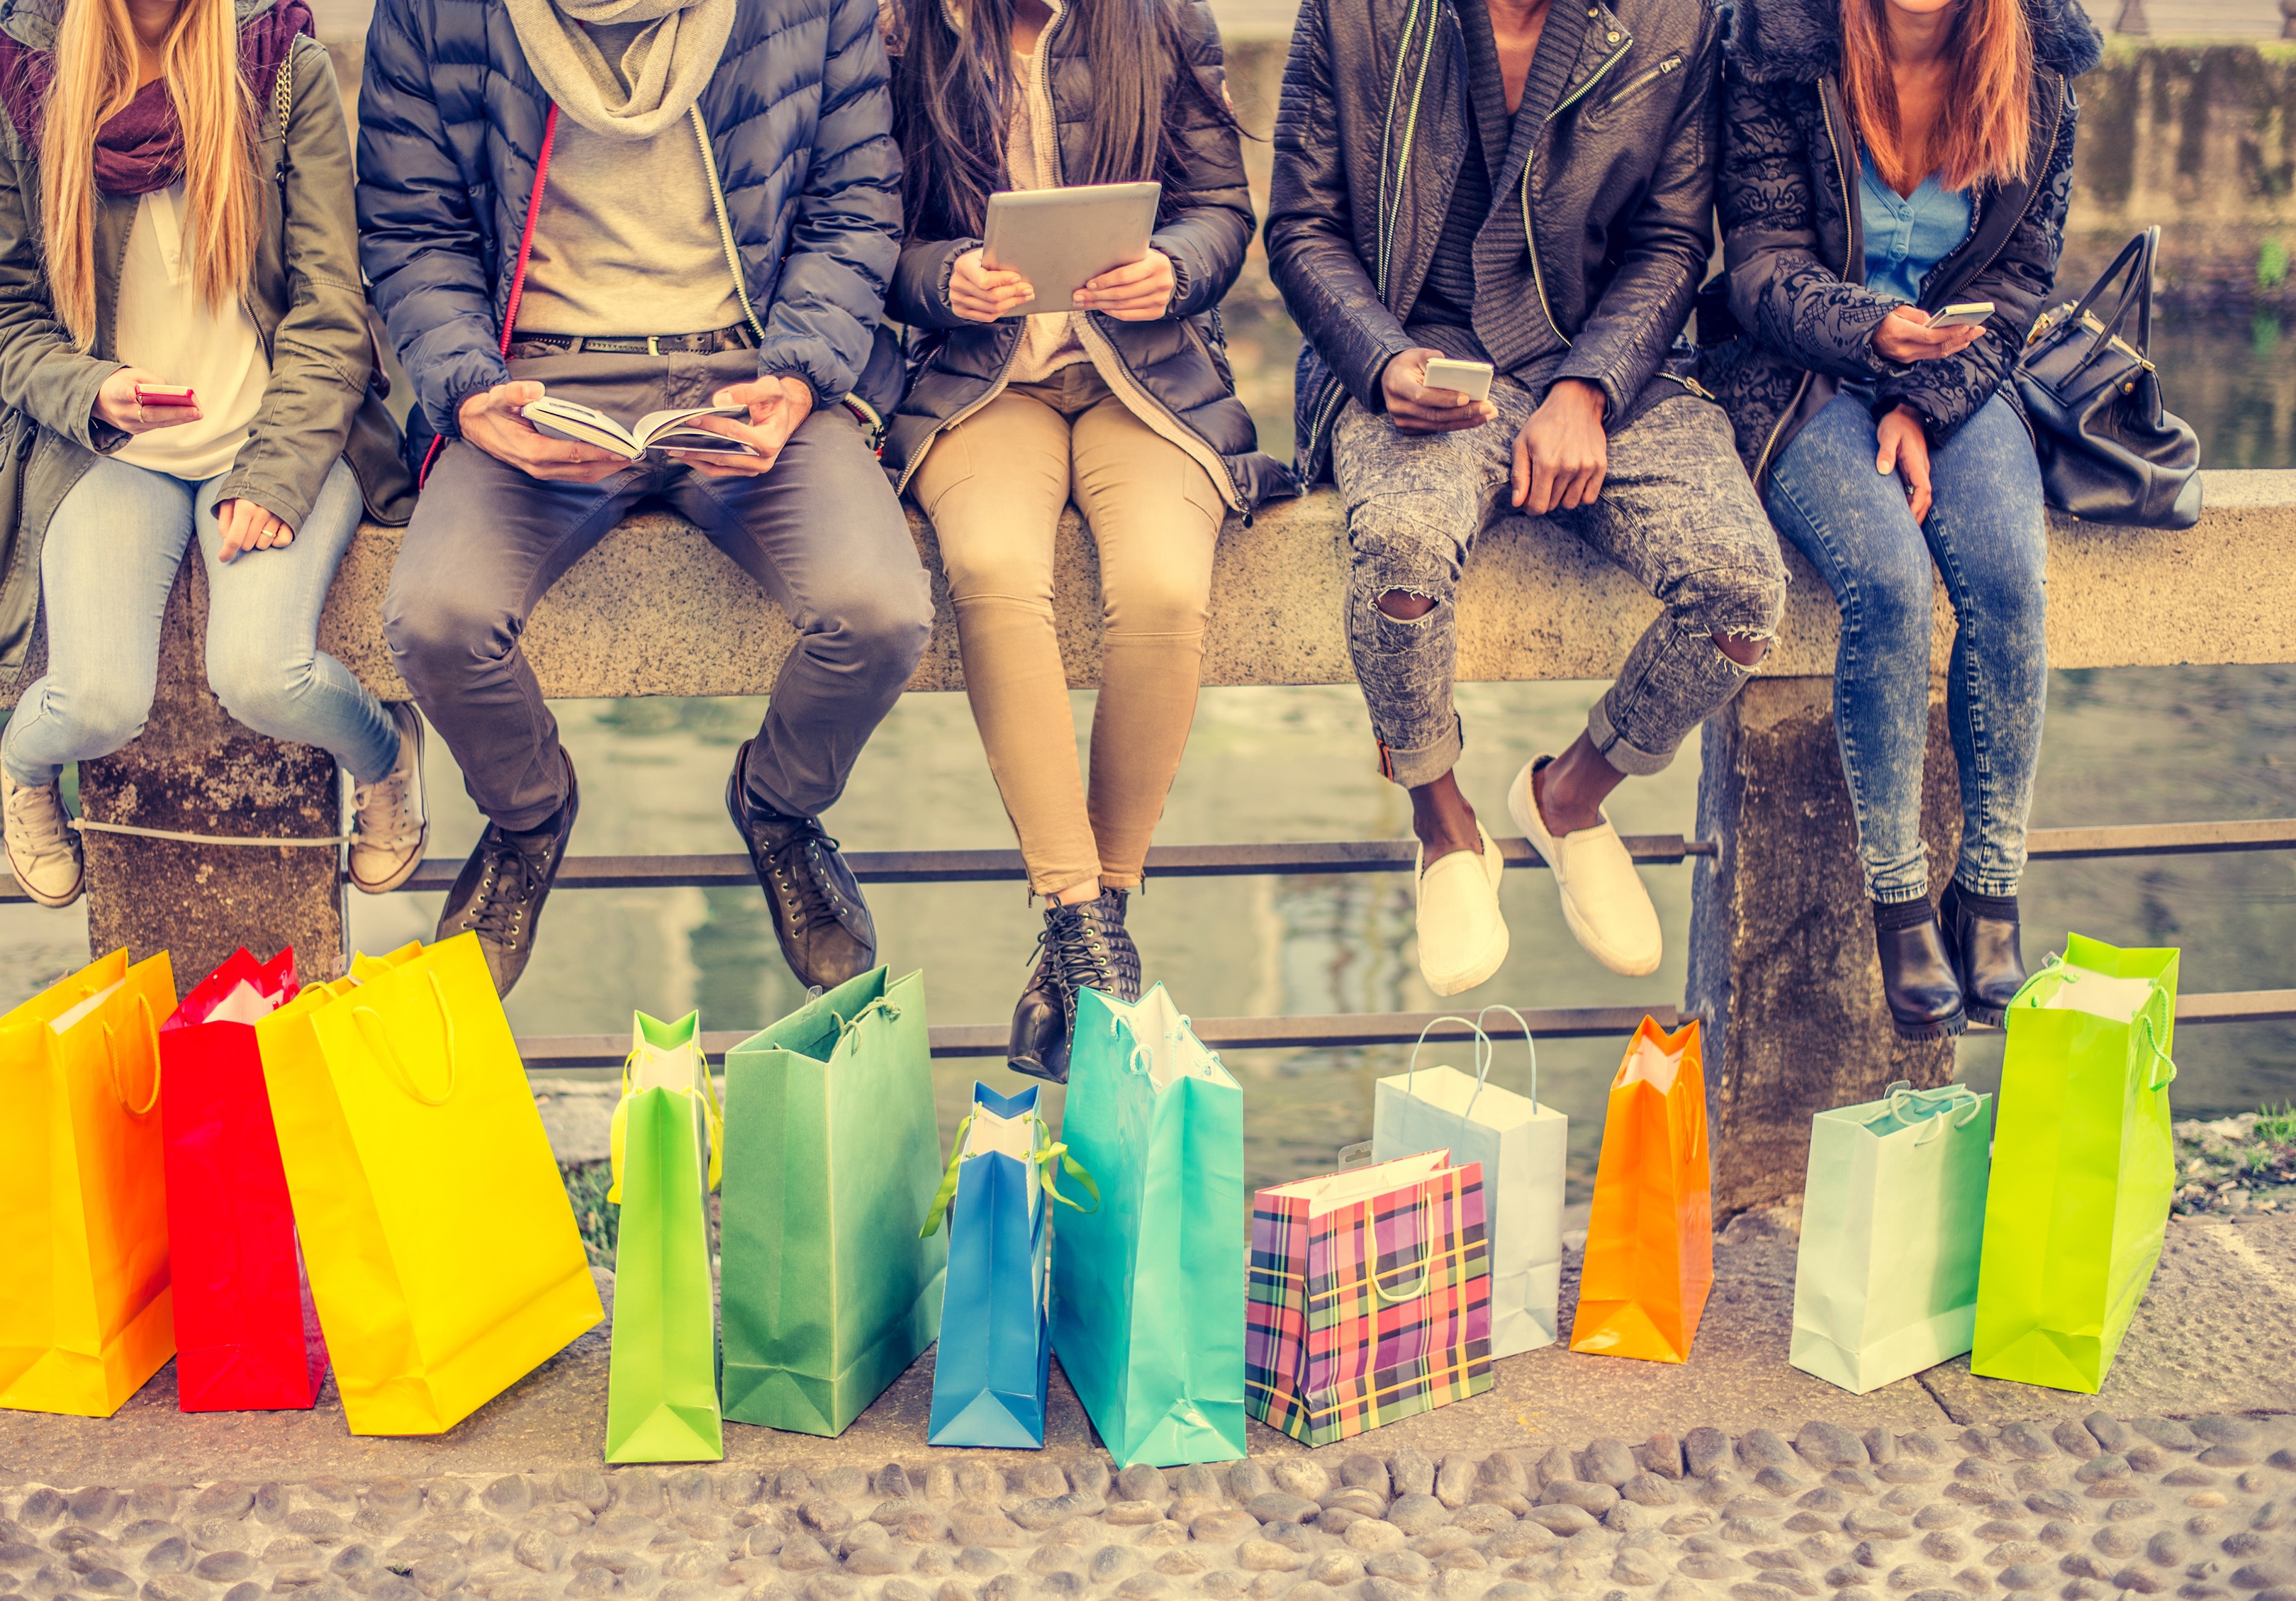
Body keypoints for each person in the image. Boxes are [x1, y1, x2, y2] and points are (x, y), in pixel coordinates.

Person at [357, 0, 930, 997]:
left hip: (751, 372)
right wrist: (468, 389)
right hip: (532, 379)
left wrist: (798, 376)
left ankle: (779, 806)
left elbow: (858, 206)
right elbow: (412, 230)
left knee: (881, 613)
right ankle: (530, 815)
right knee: (437, 621)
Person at [1265, 0, 1788, 997]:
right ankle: (1443, 821)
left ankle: (1570, 796)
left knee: (1741, 590)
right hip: (1414, 361)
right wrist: (1381, 362)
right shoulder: (1350, 12)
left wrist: (1588, 386)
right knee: (1401, 553)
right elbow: (1301, 227)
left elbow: (1675, 242)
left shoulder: (1677, 16)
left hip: (1603, 365)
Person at [880, 0, 1296, 1079]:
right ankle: (1088, 929)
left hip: (1142, 377)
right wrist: (945, 279)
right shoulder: (905, 31)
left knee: (1163, 584)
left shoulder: (1161, 21)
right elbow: (867, 236)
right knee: (991, 567)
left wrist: (1173, 267)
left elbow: (1221, 210)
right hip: (982, 383)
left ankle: (1086, 923)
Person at [0, 0, 425, 912]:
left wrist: (277, 474)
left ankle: (386, 755)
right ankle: (22, 761)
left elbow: (332, 308)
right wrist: (89, 392)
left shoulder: (278, 66)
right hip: (114, 451)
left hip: (279, 429)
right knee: (93, 703)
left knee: (263, 676)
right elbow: (2, 314)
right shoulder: (22, 84)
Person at [1705, 0, 2099, 1038]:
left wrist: (1927, 401)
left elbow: (2019, 279)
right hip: (1798, 371)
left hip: (1961, 375)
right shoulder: (1778, 47)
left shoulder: (2043, 66)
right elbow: (1760, 266)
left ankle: (1992, 890)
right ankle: (1900, 900)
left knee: (2009, 576)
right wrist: (1874, 339)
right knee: (1885, 579)